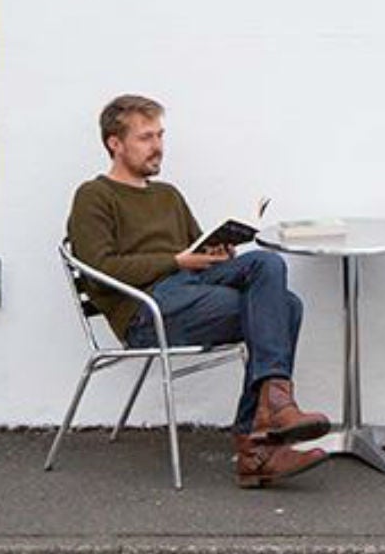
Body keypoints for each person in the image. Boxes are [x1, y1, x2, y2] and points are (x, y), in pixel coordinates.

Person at [65, 93, 331, 489]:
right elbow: (101, 269)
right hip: (148, 311)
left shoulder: (167, 194)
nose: (157, 146)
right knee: (283, 308)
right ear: (114, 144)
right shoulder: (94, 196)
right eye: (145, 137)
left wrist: (215, 252)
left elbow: (192, 250)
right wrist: (176, 262)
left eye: (160, 135)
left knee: (270, 268)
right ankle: (261, 440)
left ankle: (270, 418)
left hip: (191, 289)